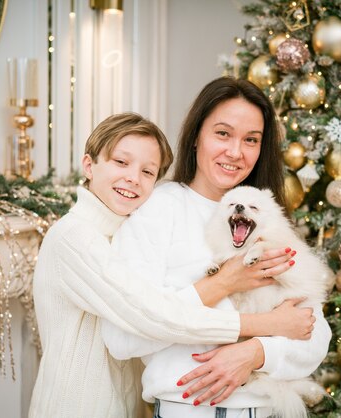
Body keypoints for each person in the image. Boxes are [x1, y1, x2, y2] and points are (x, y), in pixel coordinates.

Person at [28, 112, 315, 418]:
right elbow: (150, 314)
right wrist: (260, 323)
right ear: (89, 165)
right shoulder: (75, 238)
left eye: (148, 172)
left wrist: (258, 349)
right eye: (121, 162)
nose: (133, 178)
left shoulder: (118, 232)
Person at [102, 78, 332, 418]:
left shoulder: (267, 219)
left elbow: (314, 336)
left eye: (251, 140)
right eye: (223, 134)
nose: (236, 152)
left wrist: (256, 353)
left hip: (264, 410)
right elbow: (123, 339)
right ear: (197, 136)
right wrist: (224, 285)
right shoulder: (157, 210)